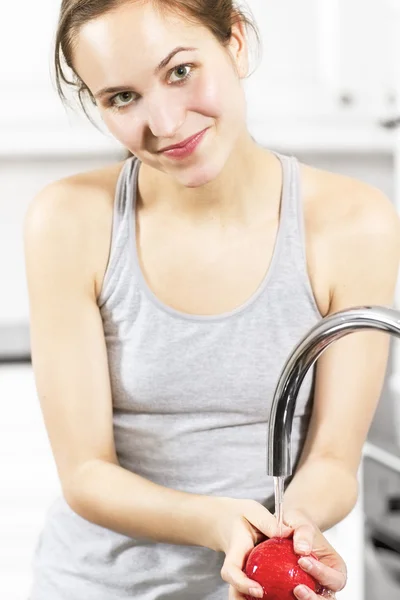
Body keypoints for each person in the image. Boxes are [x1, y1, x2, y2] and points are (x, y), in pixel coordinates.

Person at [23, 1, 400, 599]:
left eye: (179, 71)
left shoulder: (355, 225)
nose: (167, 123)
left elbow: (331, 458)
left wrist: (290, 533)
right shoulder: (69, 221)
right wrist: (218, 524)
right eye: (122, 97)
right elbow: (86, 474)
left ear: (238, 43)